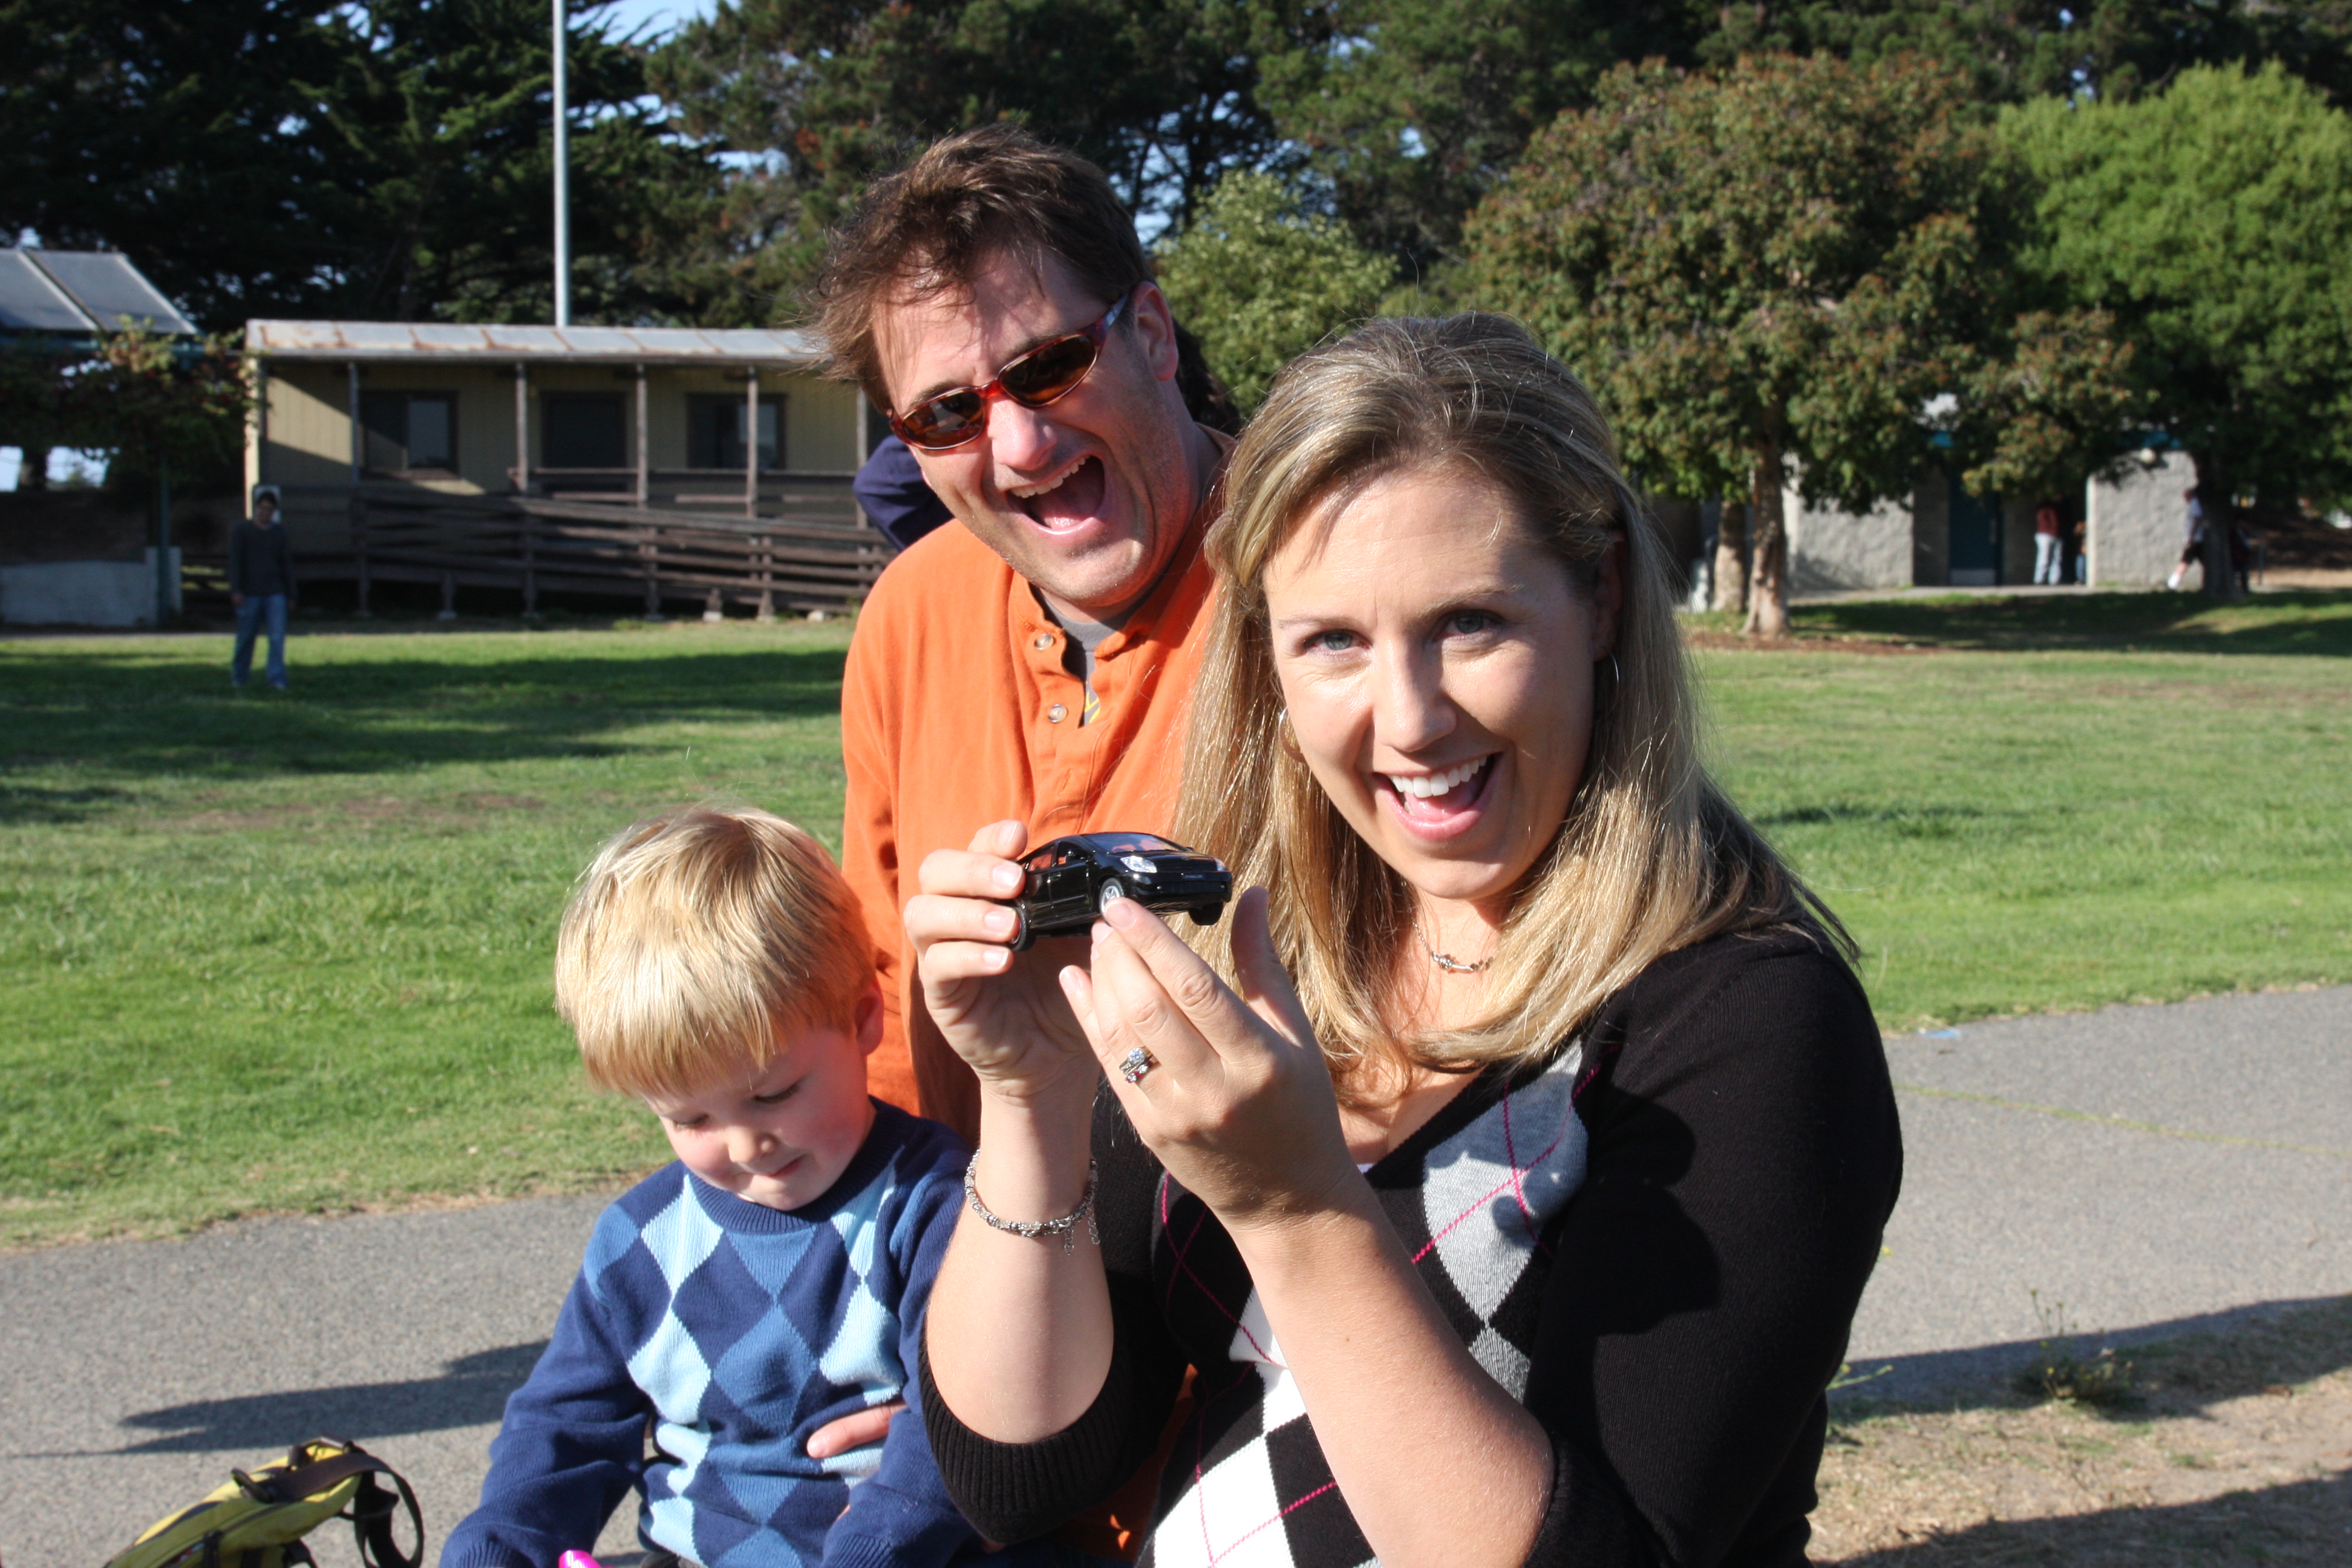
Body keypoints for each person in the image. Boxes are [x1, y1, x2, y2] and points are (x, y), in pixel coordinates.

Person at [909, 316, 1904, 1567]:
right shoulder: (1258, 950)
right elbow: (1025, 1470)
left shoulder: (1745, 1018)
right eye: (1333, 641)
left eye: (1471, 623)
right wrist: (1032, 1099)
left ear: (1600, 596)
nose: (1411, 719)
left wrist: (1296, 1210)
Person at [442, 806, 1033, 1568]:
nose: (746, 1145)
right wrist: (499, 1545)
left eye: (773, 1094)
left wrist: (874, 1550)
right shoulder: (641, 1241)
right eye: (690, 1118)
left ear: (862, 1020)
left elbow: (948, 1424)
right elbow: (563, 1428)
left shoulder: (933, 1206)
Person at [816, 125, 1236, 1145]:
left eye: (1049, 366)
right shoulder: (910, 613)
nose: (1021, 444)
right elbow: (884, 1001)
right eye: (946, 414)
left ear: (1153, 335)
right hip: (978, 1223)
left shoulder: (1323, 577)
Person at [229, 485, 294, 690]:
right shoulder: (242, 531)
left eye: (270, 510)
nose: (266, 513)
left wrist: (291, 594)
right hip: (250, 593)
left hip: (275, 591)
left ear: (275, 512)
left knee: (277, 638)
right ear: (257, 508)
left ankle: (277, 679)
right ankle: (239, 677)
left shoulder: (279, 533)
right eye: (263, 508)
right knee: (246, 638)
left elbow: (286, 565)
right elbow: (235, 562)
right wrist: (236, 590)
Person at [2167, 487, 2206, 590]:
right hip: (2198, 539)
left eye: (2185, 497)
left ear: (2190, 496)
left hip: (2195, 540)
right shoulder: (2196, 504)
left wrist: (2191, 537)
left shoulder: (2195, 504)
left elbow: (2197, 519)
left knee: (2185, 560)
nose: (2185, 499)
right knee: (2203, 562)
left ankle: (2172, 584)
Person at [2033, 498, 2064, 585]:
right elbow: (2053, 522)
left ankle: (2054, 580)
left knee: (2056, 559)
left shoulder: (2054, 508)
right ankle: (2040, 579)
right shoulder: (2046, 509)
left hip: (2054, 535)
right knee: (2045, 558)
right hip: (2046, 535)